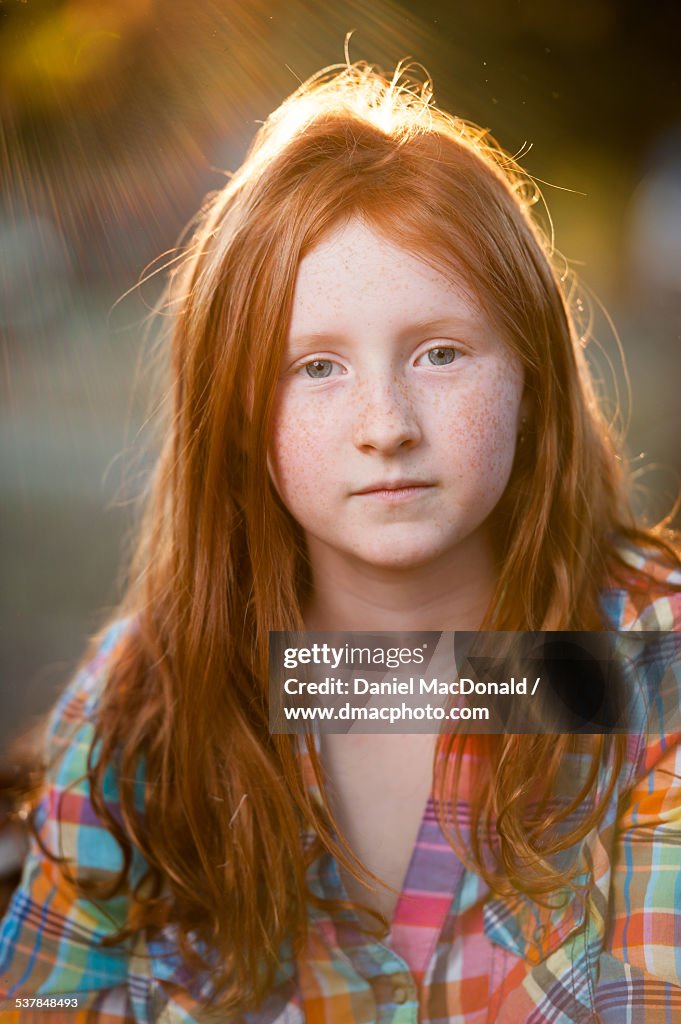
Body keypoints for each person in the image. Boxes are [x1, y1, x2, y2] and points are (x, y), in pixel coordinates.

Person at [1, 60, 680, 1023]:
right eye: (315, 367)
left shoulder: (647, 659)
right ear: (234, 412)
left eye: (440, 352)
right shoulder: (145, 700)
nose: (386, 424)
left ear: (530, 374)